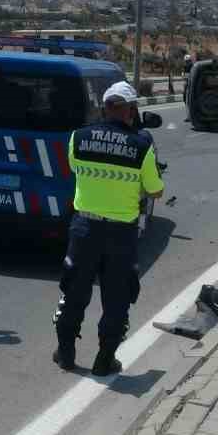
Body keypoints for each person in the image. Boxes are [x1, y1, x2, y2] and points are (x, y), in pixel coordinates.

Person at [53, 81, 165, 376]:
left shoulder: (78, 138)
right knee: (117, 297)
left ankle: (65, 353)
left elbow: (74, 170)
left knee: (73, 290)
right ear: (130, 109)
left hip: (84, 227)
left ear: (104, 107)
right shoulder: (142, 146)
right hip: (121, 234)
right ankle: (105, 359)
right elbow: (155, 191)